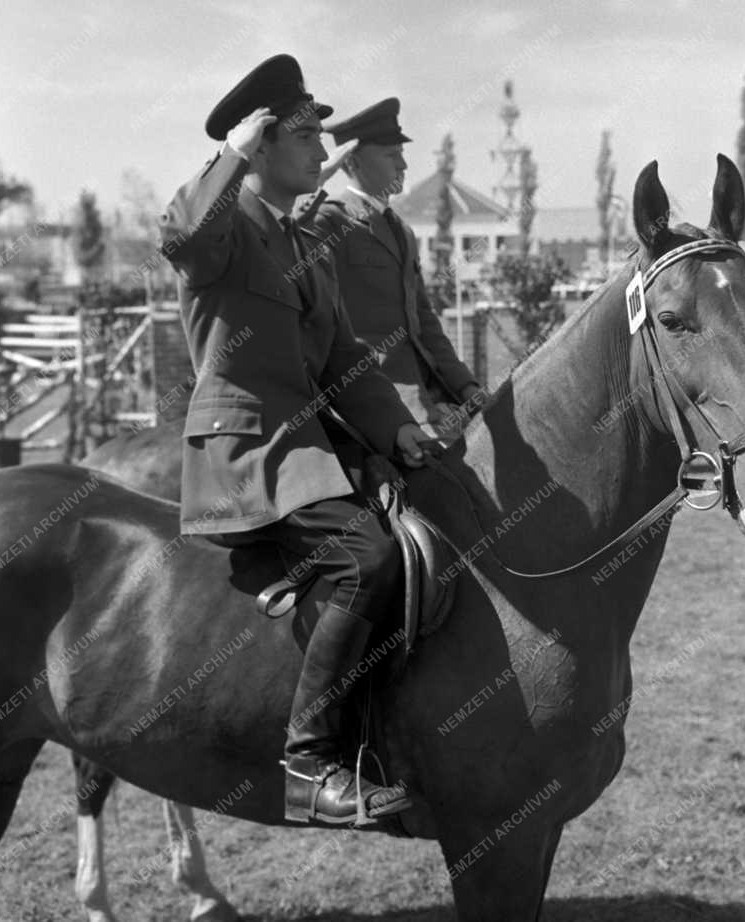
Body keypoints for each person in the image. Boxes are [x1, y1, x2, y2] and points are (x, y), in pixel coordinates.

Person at [159, 55, 428, 825]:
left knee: (426, 518)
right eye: (305, 134)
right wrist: (230, 152)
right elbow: (178, 234)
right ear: (264, 143)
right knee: (366, 558)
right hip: (247, 449)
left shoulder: (293, 238)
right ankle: (309, 761)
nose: (322, 148)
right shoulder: (225, 227)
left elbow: (345, 356)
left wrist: (402, 429)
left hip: (304, 443)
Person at [307, 98, 484, 442]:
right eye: (391, 156)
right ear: (353, 161)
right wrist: (317, 185)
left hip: (431, 391)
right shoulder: (328, 220)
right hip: (377, 398)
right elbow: (290, 232)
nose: (403, 165)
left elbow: (424, 321)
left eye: (401, 154)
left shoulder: (400, 230)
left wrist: (465, 385)